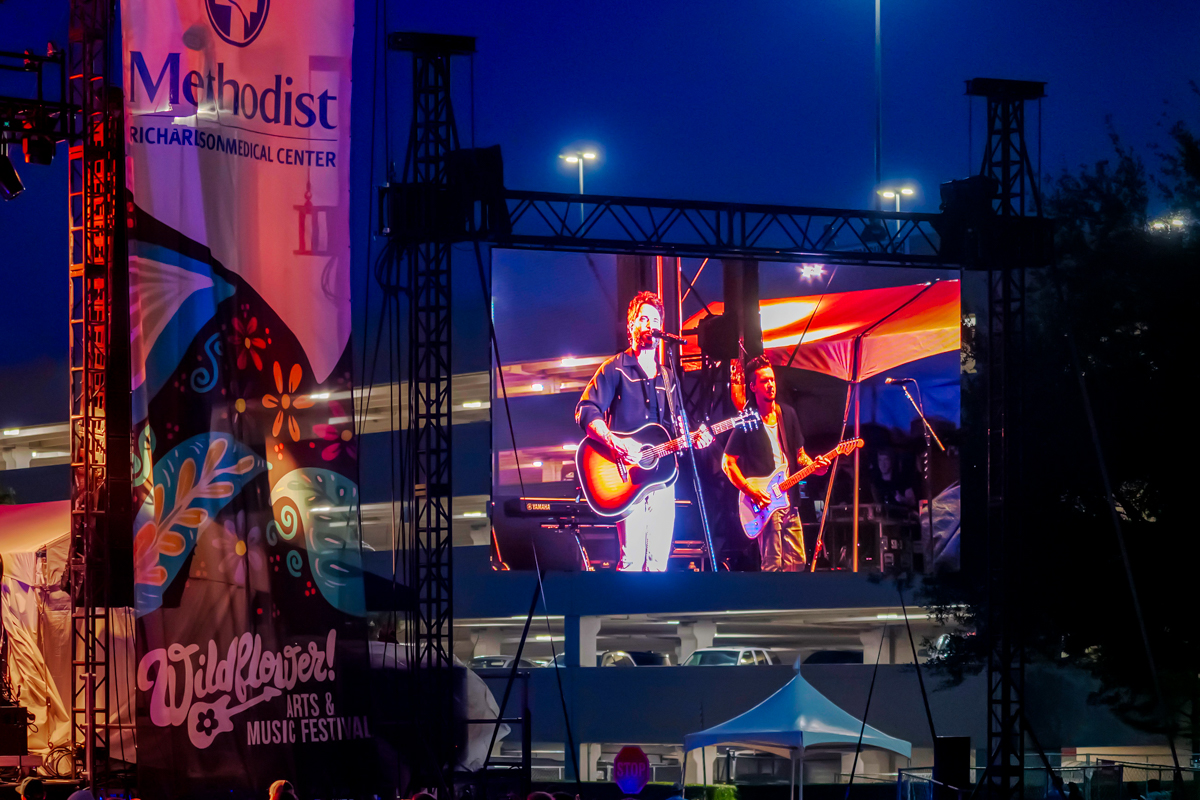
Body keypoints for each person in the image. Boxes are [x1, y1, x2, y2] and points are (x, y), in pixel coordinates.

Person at [576, 291, 712, 571]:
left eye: (655, 319)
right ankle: (625, 615)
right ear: (631, 326)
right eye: (644, 318)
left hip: (662, 477)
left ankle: (652, 615)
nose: (650, 323)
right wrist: (614, 442)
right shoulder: (615, 368)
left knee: (659, 562)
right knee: (632, 560)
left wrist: (695, 438)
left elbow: (674, 429)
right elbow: (586, 410)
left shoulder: (668, 375)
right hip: (626, 477)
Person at [722, 356, 829, 572]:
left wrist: (815, 467)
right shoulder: (748, 420)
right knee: (773, 565)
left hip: (789, 501)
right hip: (766, 502)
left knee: (797, 564)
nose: (770, 385)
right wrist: (749, 490)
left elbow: (800, 456)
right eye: (764, 381)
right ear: (753, 386)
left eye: (772, 380)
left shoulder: (787, 413)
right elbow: (728, 462)